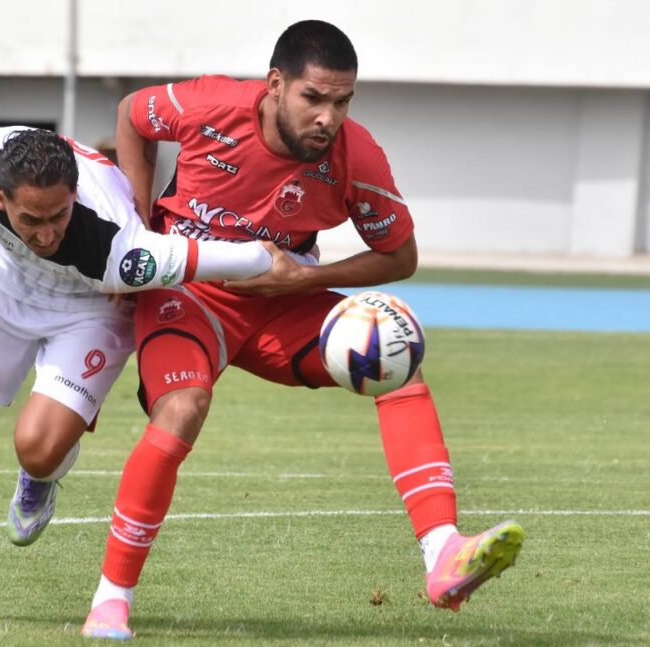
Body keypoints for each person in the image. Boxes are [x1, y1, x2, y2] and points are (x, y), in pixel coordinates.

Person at [79, 20, 525, 640]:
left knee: (395, 362)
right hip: (188, 294)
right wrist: (137, 220)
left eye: (342, 102)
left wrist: (300, 283)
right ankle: (110, 600)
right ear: (275, 86)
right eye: (314, 98)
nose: (328, 118)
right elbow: (132, 113)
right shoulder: (207, 104)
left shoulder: (355, 156)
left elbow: (400, 257)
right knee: (183, 408)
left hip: (283, 303)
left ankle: (443, 553)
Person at [0, 115, 308, 620]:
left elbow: (231, 259)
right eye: (30, 219)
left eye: (58, 217)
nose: (45, 235)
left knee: (38, 449)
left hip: (90, 306)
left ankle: (42, 474)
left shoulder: (121, 249)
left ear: (75, 192)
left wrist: (289, 268)